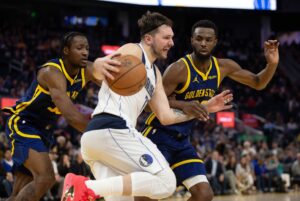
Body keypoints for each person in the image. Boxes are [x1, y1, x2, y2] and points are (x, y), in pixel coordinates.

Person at [61, 12, 233, 201]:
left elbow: (167, 117)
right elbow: (100, 67)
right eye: (166, 37)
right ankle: (85, 187)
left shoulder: (156, 75)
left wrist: (205, 108)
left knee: (124, 197)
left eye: (172, 38)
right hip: (113, 128)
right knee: (166, 181)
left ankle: (81, 190)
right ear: (149, 38)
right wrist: (99, 64)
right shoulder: (134, 51)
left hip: (98, 140)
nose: (172, 43)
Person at [136, 19, 279, 201]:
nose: (203, 43)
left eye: (208, 39)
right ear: (192, 40)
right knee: (147, 196)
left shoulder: (223, 67)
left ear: (215, 42)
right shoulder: (179, 69)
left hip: (182, 141)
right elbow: (149, 105)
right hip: (157, 135)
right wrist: (183, 104)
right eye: (199, 38)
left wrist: (272, 64)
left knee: (204, 195)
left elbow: (258, 83)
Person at [1, 31, 120, 201]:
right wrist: (105, 133)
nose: (85, 52)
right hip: (24, 124)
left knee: (18, 193)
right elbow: (72, 117)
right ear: (66, 51)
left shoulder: (87, 69)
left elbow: (116, 86)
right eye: (79, 48)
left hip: (45, 131)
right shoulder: (51, 72)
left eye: (86, 48)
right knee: (46, 178)